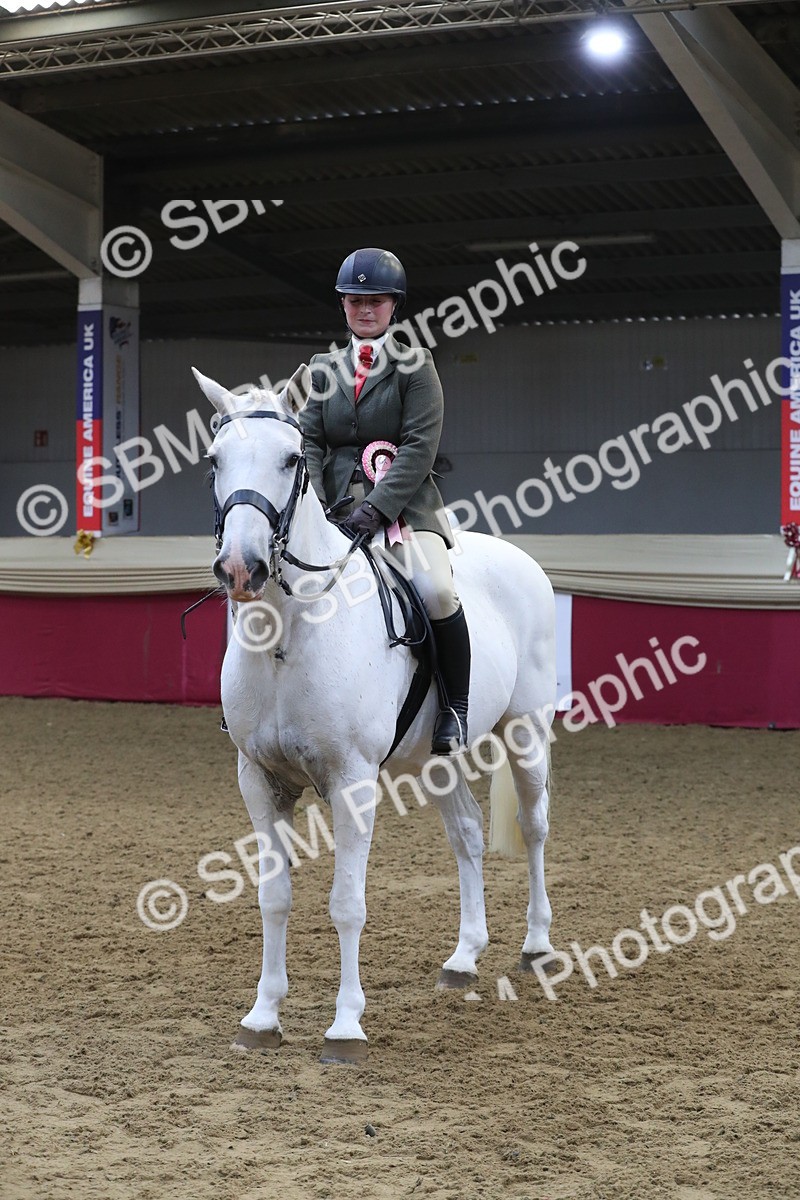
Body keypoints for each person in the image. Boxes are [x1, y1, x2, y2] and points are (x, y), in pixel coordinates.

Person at [299, 247, 471, 755]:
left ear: (393, 305)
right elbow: (308, 440)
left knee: (438, 591)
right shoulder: (322, 367)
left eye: (375, 300)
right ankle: (249, 707)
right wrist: (315, 502)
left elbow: (421, 445)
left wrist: (377, 506)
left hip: (405, 513)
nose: (365, 310)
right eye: (355, 301)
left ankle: (453, 711)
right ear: (343, 306)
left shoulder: (416, 365)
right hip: (330, 512)